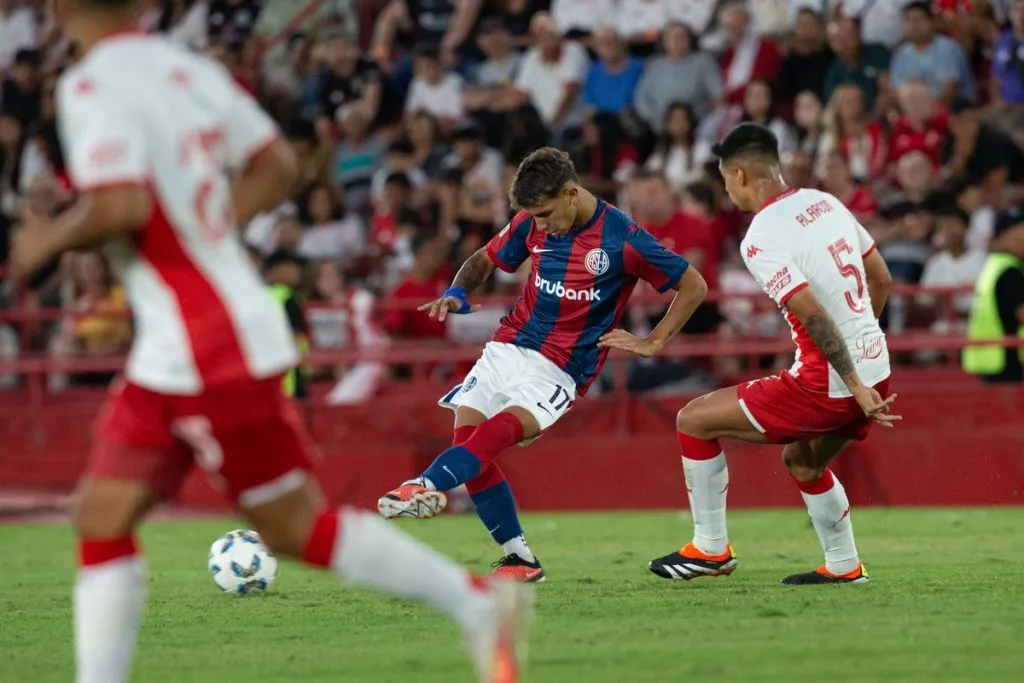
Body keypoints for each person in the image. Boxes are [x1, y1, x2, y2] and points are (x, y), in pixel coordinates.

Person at [9, 3, 531, 683]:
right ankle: (481, 603)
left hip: (205, 345)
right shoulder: (184, 67)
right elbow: (278, 163)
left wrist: (44, 238)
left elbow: (121, 206)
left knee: (291, 526)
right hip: (184, 340)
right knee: (103, 514)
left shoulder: (91, 84)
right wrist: (211, 232)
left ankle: (478, 603)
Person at [377, 147, 709, 581]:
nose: (542, 226)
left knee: (490, 440)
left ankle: (424, 484)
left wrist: (654, 341)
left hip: (562, 368)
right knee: (468, 442)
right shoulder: (531, 223)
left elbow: (693, 284)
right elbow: (482, 259)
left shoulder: (622, 237)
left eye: (547, 214)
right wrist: (457, 293)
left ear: (572, 193)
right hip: (508, 346)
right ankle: (520, 559)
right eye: (534, 216)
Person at [647, 123, 899, 585]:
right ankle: (844, 567)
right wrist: (864, 360)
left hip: (833, 383)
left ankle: (709, 548)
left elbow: (814, 314)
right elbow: (879, 277)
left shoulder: (761, 235)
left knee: (693, 419)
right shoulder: (827, 203)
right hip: (877, 368)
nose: (728, 192)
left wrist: (852, 384)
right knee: (803, 461)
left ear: (740, 175)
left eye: (726, 182)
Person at [963, 203, 1024, 383]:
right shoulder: (1009, 271)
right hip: (1006, 359)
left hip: (992, 358)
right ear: (1006, 235)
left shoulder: (993, 265)